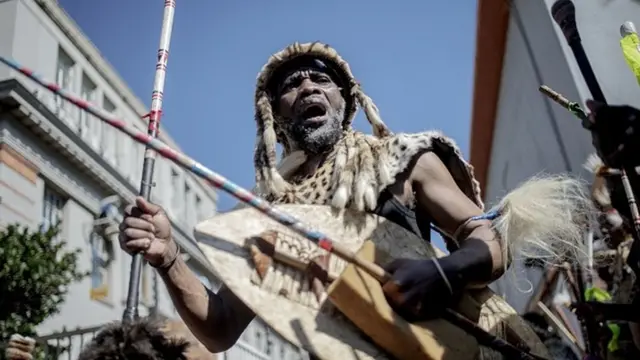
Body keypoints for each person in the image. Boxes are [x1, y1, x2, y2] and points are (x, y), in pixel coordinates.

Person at [119, 42, 592, 355]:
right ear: (275, 119)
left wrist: (445, 272)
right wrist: (170, 259)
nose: (307, 86)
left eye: (320, 79)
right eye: (290, 85)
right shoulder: (271, 219)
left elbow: (489, 237)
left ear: (345, 99)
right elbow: (220, 327)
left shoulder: (401, 159)